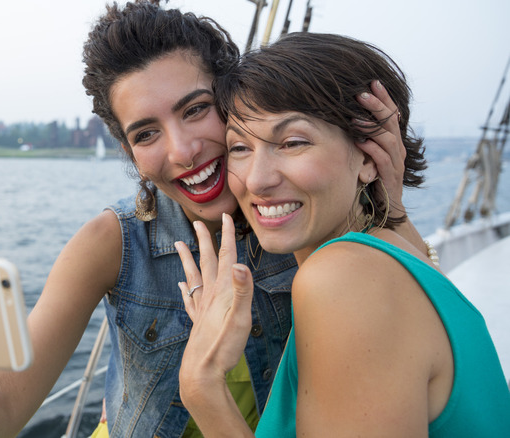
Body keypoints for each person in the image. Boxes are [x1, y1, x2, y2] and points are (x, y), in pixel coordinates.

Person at [0, 2, 420, 437]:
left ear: (236, 103)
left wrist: (387, 209)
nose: (180, 150)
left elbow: (412, 308)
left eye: (197, 110)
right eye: (147, 133)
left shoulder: (315, 221)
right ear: (128, 151)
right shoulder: (114, 240)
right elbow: (0, 406)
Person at [176, 32, 510, 437]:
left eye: (293, 142)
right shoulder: (392, 259)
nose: (258, 180)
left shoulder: (343, 280)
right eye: (240, 148)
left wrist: (201, 387)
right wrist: (392, 209)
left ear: (369, 157)